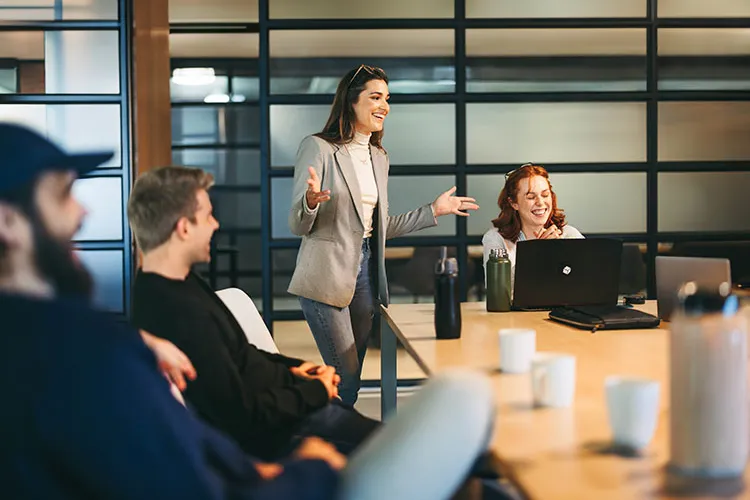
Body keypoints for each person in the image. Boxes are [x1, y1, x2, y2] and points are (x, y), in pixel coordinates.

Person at [0, 122, 497, 500]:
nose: (82, 213)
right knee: (458, 424)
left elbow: (207, 429)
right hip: (293, 469)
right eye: (63, 195)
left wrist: (134, 345)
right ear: (8, 222)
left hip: (268, 457)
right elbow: (200, 476)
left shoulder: (86, 341)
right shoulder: (77, 362)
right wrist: (308, 466)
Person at [129, 166, 380, 461]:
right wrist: (313, 392)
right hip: (281, 438)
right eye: (208, 216)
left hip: (290, 408)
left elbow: (242, 355)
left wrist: (296, 370)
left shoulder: (179, 284)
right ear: (184, 228)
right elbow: (242, 418)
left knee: (404, 440)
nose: (215, 225)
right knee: (403, 450)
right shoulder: (177, 313)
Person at [288, 64, 479, 405]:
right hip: (324, 274)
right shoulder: (318, 148)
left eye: (387, 98)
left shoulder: (379, 157)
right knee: (345, 376)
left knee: (352, 375)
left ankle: (334, 434)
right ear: (351, 101)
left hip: (365, 272)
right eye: (375, 97)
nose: (384, 106)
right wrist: (311, 202)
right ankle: (327, 440)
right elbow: (298, 224)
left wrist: (433, 211)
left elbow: (378, 228)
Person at [482, 163, 584, 292]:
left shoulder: (569, 234)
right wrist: (538, 253)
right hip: (517, 313)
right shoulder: (496, 238)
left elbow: (590, 281)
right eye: (531, 197)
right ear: (513, 203)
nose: (540, 203)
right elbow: (497, 289)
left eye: (545, 195)